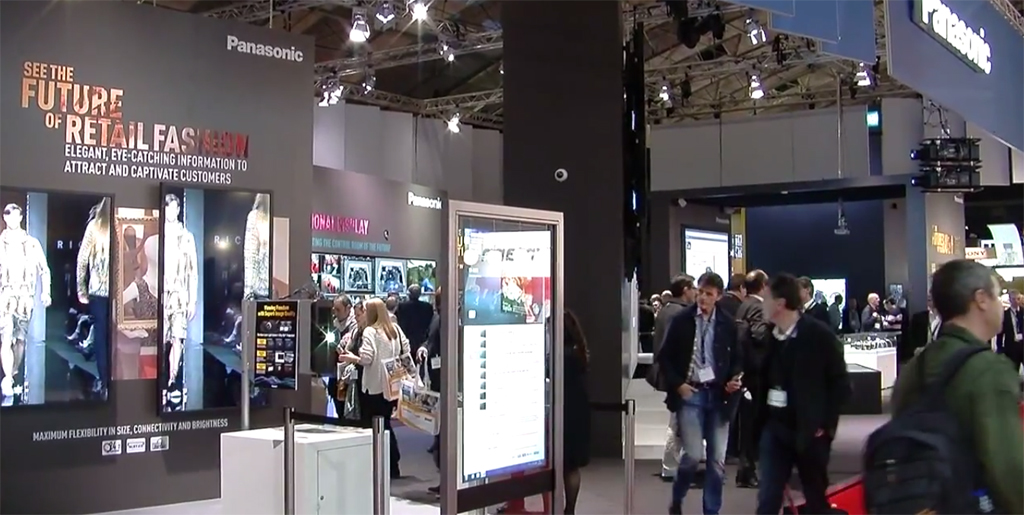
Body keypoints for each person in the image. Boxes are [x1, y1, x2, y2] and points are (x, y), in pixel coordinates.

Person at [890, 260, 1023, 515]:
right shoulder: (989, 370)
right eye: (997, 296)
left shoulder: (916, 366)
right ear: (981, 299)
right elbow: (1007, 468)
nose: (1001, 304)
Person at [756, 274, 850, 515]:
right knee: (768, 496)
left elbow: (840, 383)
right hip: (775, 428)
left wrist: (825, 425)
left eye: (766, 299)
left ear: (780, 303)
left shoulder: (819, 336)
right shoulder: (769, 336)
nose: (762, 304)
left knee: (815, 497)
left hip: (810, 431)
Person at [656, 272, 743, 515]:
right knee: (693, 455)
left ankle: (711, 511)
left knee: (716, 460)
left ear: (718, 296)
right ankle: (678, 496)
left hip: (719, 396)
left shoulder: (727, 323)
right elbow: (664, 357)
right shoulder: (682, 320)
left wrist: (734, 379)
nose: (703, 297)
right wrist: (678, 385)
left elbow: (737, 358)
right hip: (690, 394)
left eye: (709, 294)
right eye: (700, 292)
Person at [338, 297, 412, 478]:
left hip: (373, 386)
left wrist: (351, 358)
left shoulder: (370, 331)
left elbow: (366, 358)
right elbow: (406, 348)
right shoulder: (394, 329)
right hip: (391, 385)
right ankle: (392, 463)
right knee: (385, 423)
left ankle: (381, 463)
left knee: (374, 425)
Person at [648, 274, 695, 479]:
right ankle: (671, 466)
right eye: (693, 288)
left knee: (679, 421)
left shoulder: (667, 310)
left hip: (673, 375)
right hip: (679, 376)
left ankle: (676, 464)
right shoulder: (679, 314)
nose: (696, 293)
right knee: (676, 423)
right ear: (685, 289)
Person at [734, 269, 770, 488]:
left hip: (744, 372)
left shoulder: (743, 305)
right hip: (755, 374)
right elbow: (759, 334)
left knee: (747, 425)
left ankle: (745, 470)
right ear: (763, 286)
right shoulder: (758, 307)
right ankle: (748, 470)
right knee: (753, 425)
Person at [562, 310, 592, 514]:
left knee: (565, 464)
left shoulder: (561, 355)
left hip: (564, 411)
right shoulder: (578, 351)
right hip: (578, 410)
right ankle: (569, 509)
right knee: (571, 466)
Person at [418, 288, 443, 497]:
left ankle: (448, 483)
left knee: (444, 436)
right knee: (439, 434)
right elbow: (430, 339)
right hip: (436, 379)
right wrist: (425, 347)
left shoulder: (454, 318)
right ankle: (444, 480)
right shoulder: (437, 317)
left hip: (447, 381)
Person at [396, 285, 434, 356]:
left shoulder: (402, 306)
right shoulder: (427, 307)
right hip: (423, 339)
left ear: (409, 294)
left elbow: (400, 322)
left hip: (407, 338)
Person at [996, 289, 1023, 373]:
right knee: (1013, 371)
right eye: (1013, 299)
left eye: (1018, 299)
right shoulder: (1005, 315)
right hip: (1011, 348)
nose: (1016, 301)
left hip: (1023, 345)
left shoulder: (1023, 312)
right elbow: (1000, 333)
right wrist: (1000, 348)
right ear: (1010, 300)